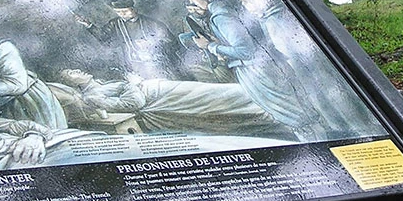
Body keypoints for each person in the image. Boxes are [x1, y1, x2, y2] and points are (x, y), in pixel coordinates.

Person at [179, 0, 323, 142]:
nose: (191, 4)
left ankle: (317, 147)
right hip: (266, 66)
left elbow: (245, 51)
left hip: (257, 72)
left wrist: (211, 46)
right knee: (298, 114)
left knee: (293, 115)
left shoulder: (221, 16)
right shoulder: (225, 11)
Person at [238, 0, 384, 139]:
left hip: (309, 70)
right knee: (321, 98)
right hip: (305, 72)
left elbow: (291, 49)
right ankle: (344, 130)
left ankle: (359, 130)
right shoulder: (273, 17)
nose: (246, 7)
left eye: (248, 2)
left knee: (331, 94)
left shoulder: (274, 19)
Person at [55, 69, 296, 141]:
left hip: (160, 88)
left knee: (222, 94)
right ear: (71, 82)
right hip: (163, 97)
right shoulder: (92, 95)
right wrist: (134, 83)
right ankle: (277, 110)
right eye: (72, 73)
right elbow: (133, 103)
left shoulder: (99, 81)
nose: (79, 71)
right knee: (222, 98)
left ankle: (278, 103)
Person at [76, 0, 181, 80]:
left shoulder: (151, 23)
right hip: (133, 64)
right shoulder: (115, 23)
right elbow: (103, 37)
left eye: (125, 11)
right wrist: (88, 24)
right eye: (119, 12)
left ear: (134, 9)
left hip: (157, 63)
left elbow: (172, 42)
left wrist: (152, 43)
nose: (122, 15)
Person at [177, 0, 234, 83]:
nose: (195, 12)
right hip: (210, 58)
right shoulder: (190, 21)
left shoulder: (219, 19)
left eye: (197, 9)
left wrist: (215, 46)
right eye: (190, 10)